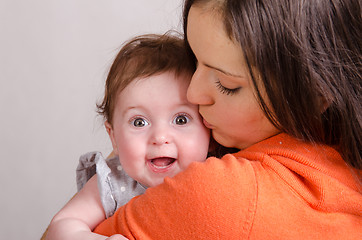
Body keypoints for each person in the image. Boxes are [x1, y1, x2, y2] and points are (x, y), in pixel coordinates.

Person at [90, 0, 361, 239]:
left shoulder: (227, 197)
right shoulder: (343, 170)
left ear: (317, 94)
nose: (193, 94)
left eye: (225, 84)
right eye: (194, 61)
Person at [44, 33, 211, 240]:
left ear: (209, 127)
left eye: (181, 120)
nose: (160, 137)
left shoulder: (218, 175)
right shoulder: (113, 182)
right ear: (113, 136)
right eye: (139, 122)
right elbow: (62, 225)